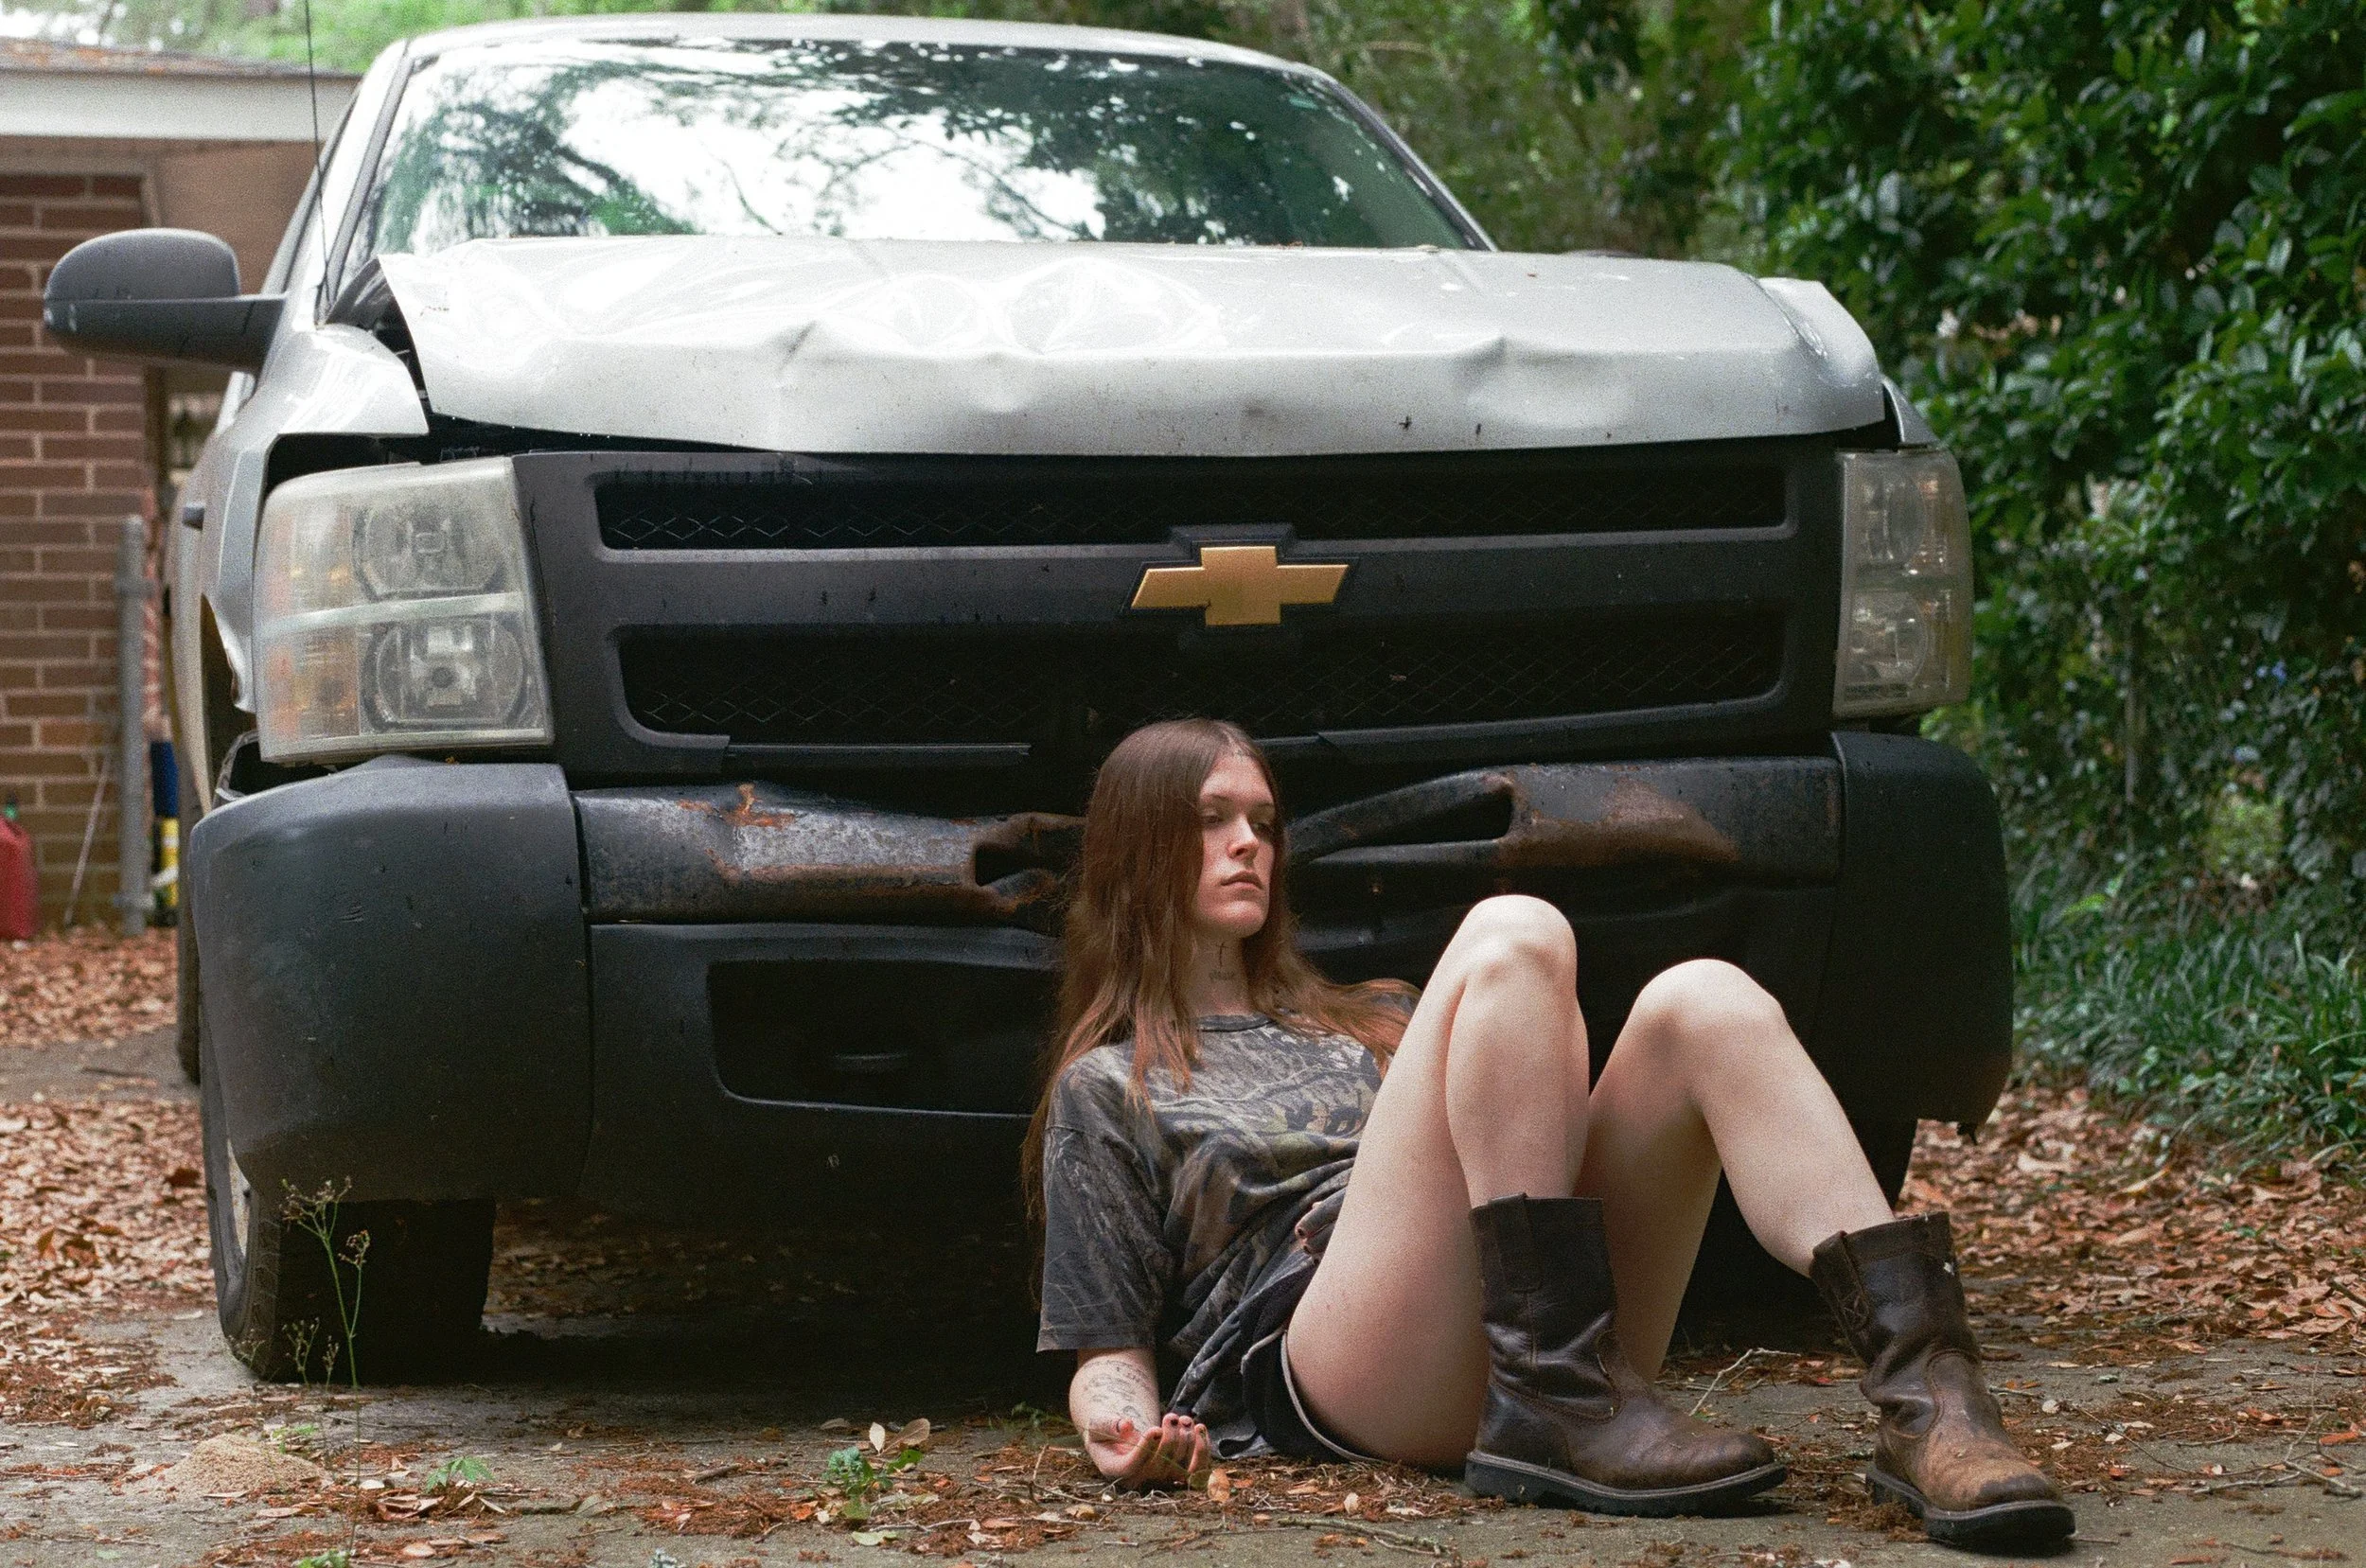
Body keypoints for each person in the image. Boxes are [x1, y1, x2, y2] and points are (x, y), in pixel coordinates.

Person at [1029, 718, 2073, 1552]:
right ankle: (1553, 1400)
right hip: (1338, 1363)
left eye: (1260, 818)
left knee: (1700, 999)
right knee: (1514, 932)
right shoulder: (1111, 1083)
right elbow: (1105, 1342)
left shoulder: (1377, 1017)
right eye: (1211, 819)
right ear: (1137, 850)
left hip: (1543, 1321)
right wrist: (1119, 1434)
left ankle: (1931, 1397)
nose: (1249, 840)